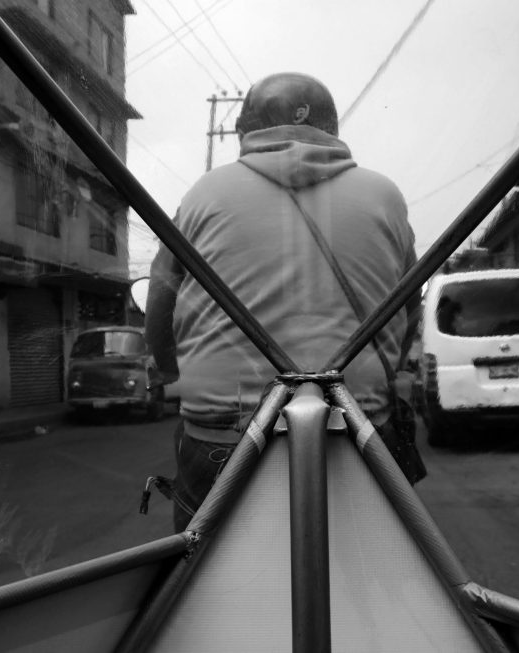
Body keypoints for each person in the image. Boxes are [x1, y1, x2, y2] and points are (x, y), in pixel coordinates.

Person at [145, 72, 421, 532]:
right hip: (357, 425)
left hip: (223, 433)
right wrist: (386, 371)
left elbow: (160, 310)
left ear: (245, 132)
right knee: (379, 560)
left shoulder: (202, 195)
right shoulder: (385, 196)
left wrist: (172, 374)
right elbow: (410, 313)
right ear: (332, 128)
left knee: (197, 567)